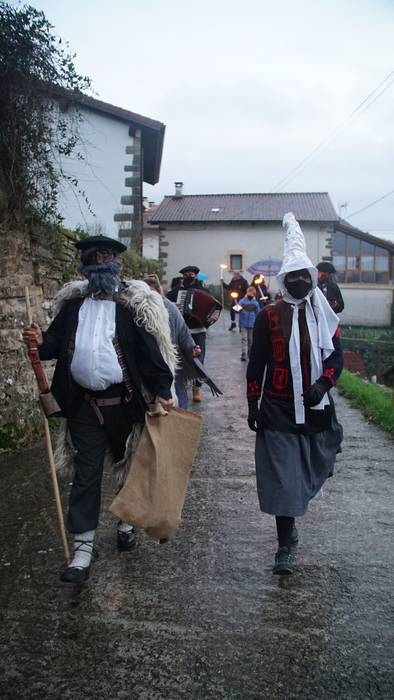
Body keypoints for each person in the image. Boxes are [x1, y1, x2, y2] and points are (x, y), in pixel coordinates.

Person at [23, 235, 175, 585]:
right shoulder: (74, 308)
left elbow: (150, 355)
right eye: (94, 262)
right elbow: (52, 347)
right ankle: (82, 549)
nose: (101, 267)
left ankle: (125, 522)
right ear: (86, 269)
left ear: (117, 267)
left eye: (107, 261)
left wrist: (163, 390)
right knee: (87, 475)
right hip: (84, 406)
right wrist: (38, 341)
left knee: (127, 468)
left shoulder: (129, 309)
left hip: (124, 405)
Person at [247, 213, 343, 576]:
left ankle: (292, 521)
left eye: (306, 276)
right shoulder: (268, 316)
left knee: (315, 465)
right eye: (294, 276)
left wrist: (324, 383)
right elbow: (256, 363)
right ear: (285, 279)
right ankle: (284, 546)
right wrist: (252, 402)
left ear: (311, 280)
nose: (300, 281)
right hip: (276, 408)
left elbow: (334, 356)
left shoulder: (324, 315)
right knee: (283, 479)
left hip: (314, 407)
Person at [143, 274, 201, 408]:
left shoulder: (171, 309)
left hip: (172, 363)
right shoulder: (140, 311)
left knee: (178, 403)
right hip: (151, 367)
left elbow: (183, 333)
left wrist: (192, 348)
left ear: (159, 292)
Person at [166, 265, 206, 403]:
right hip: (183, 330)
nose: (189, 277)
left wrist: (212, 316)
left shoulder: (203, 291)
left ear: (196, 275)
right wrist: (174, 305)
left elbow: (213, 307)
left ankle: (197, 387)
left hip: (199, 329)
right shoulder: (178, 291)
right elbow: (164, 301)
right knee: (182, 358)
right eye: (186, 275)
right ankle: (183, 383)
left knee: (198, 358)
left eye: (191, 274)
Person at [238, 286, 260, 361]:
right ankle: (243, 353)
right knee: (244, 338)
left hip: (252, 323)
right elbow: (237, 309)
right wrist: (237, 308)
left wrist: (258, 322)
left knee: (250, 339)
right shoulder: (242, 301)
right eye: (249, 293)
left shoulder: (255, 303)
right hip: (243, 323)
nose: (250, 295)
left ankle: (250, 352)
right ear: (247, 293)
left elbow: (258, 313)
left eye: (252, 294)